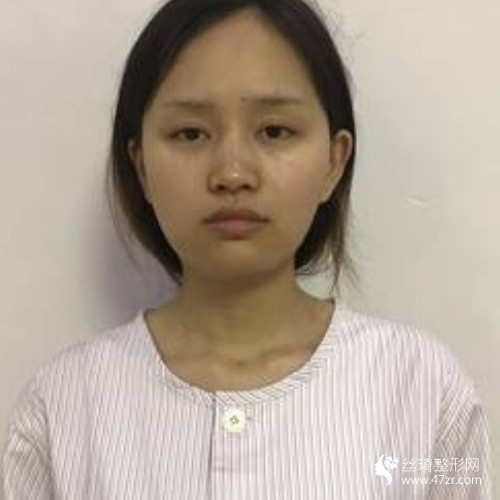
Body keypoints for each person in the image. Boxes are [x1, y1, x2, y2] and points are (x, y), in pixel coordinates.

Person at [2, 0, 492, 498]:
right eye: (190, 133)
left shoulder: (425, 392)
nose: (232, 173)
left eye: (275, 131)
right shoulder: (62, 408)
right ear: (142, 166)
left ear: (333, 161)